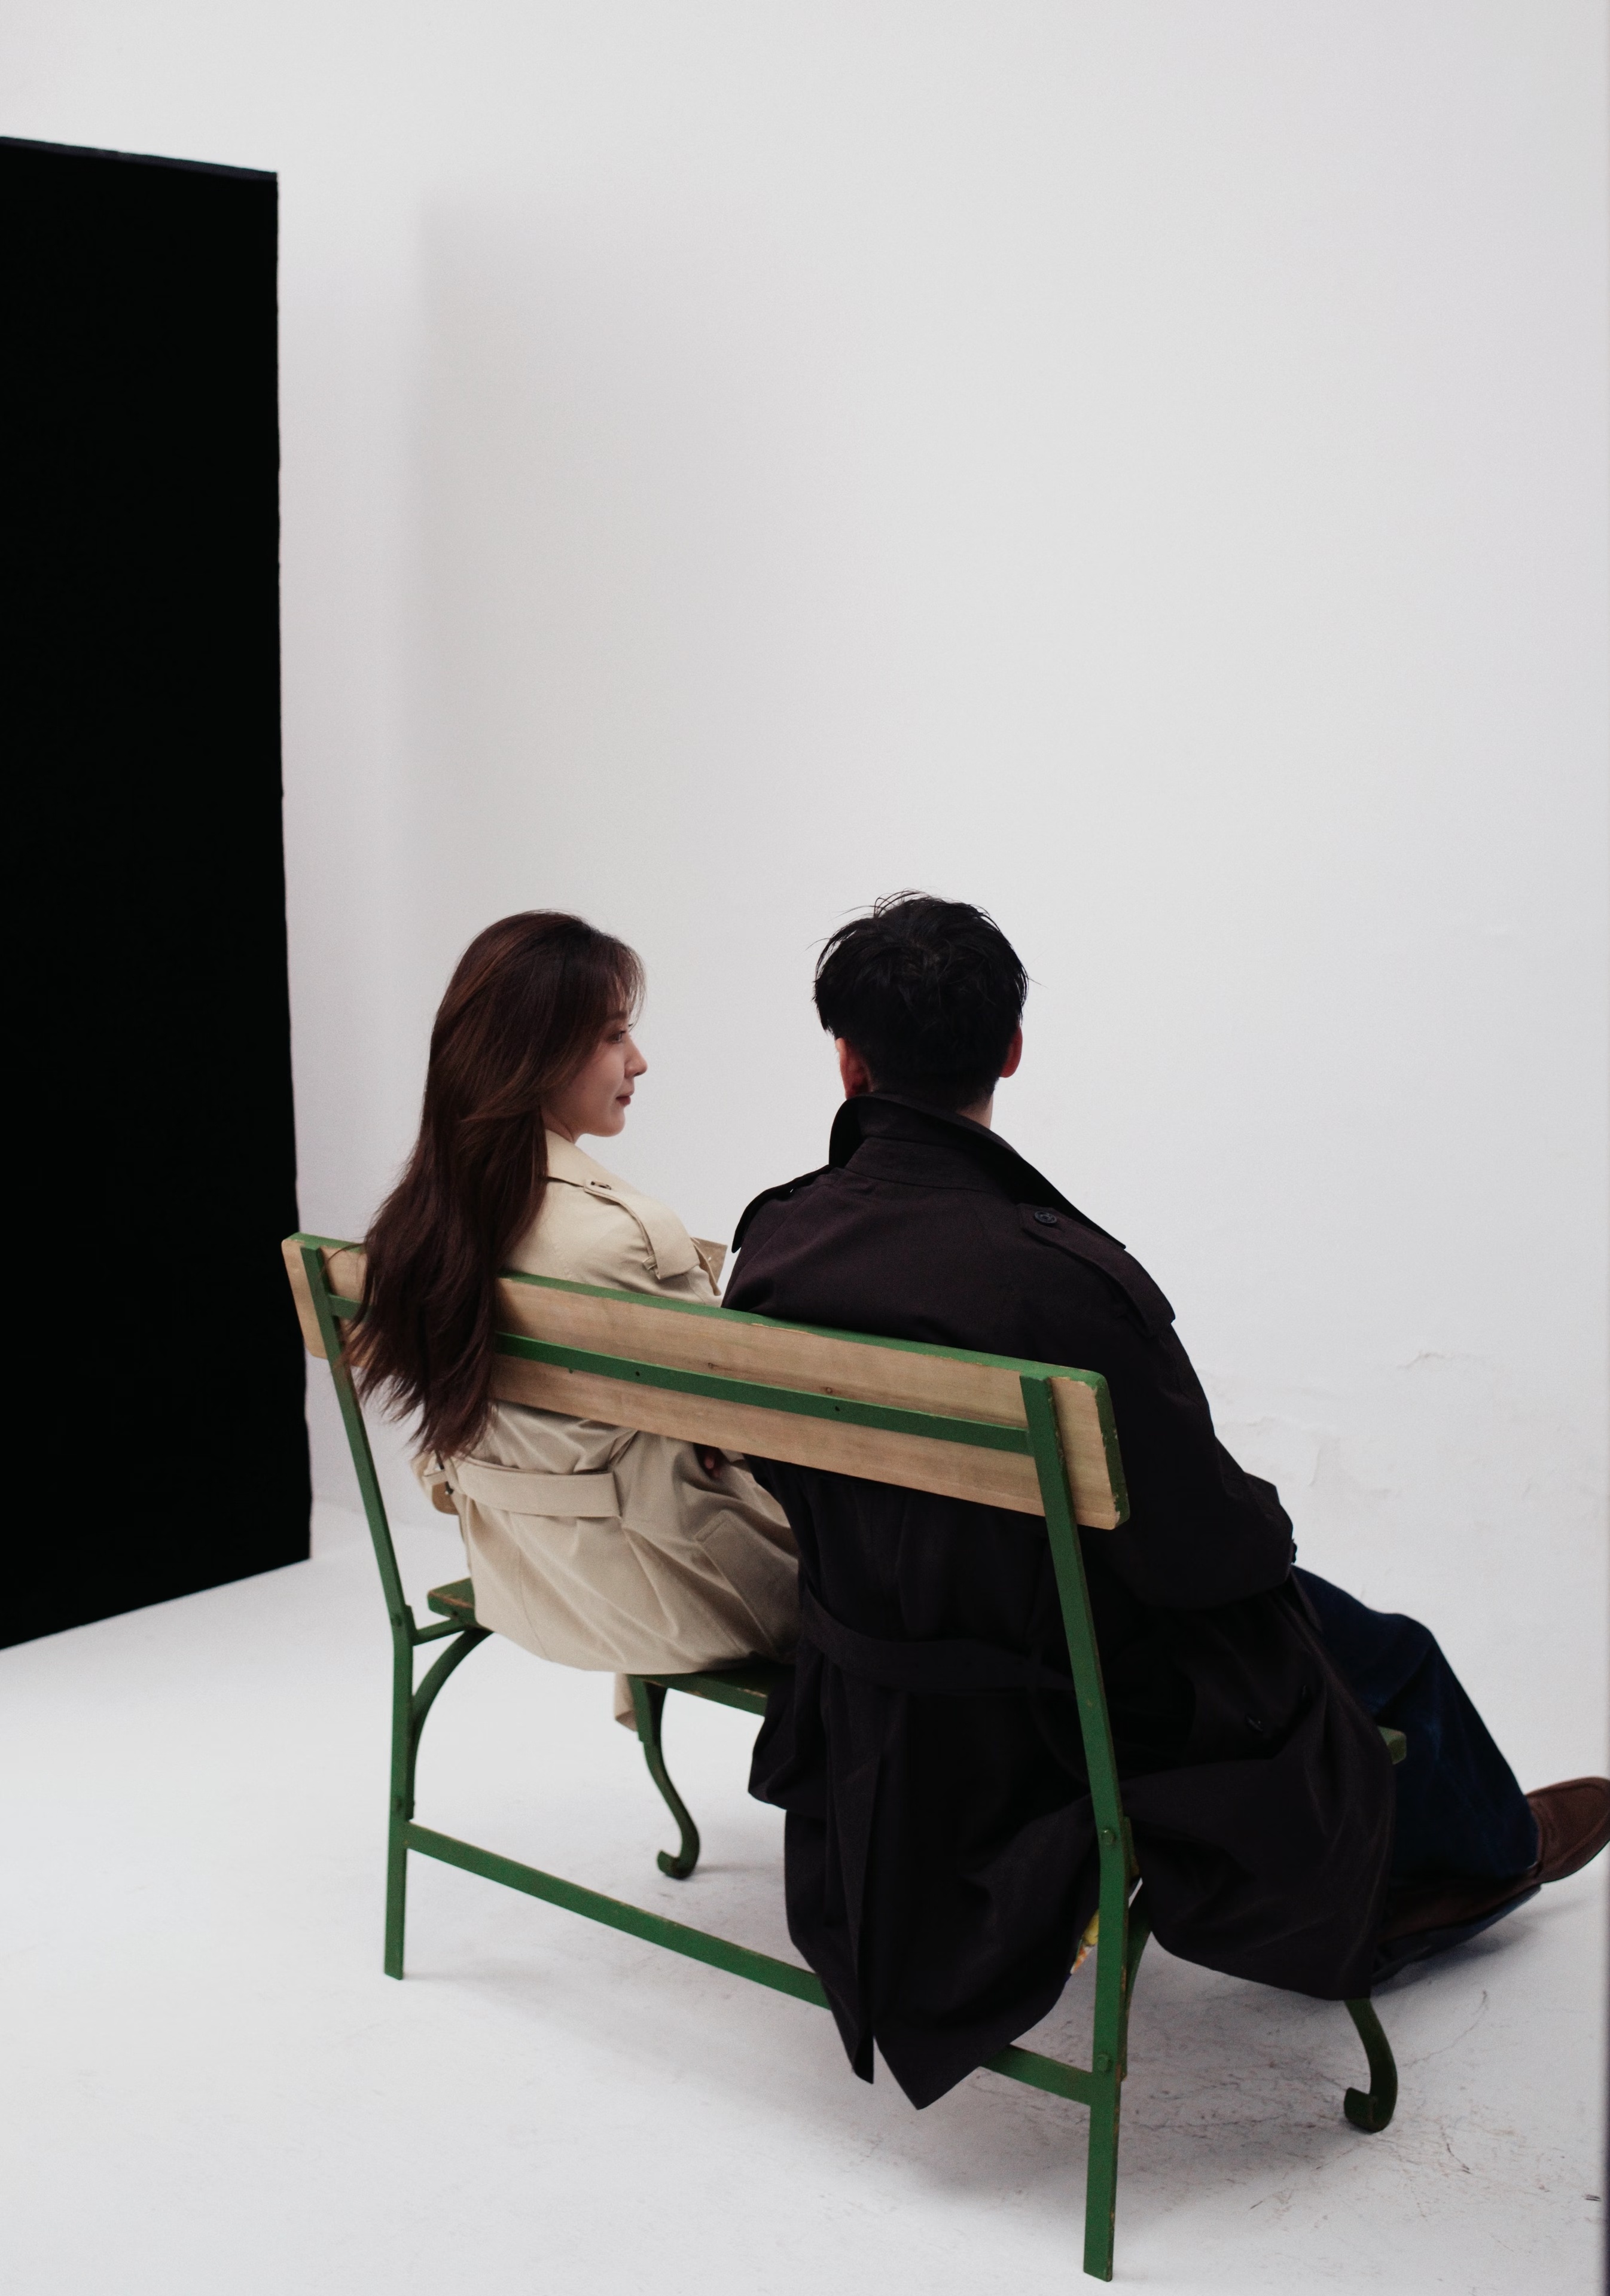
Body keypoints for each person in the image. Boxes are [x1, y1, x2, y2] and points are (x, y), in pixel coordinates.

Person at [725, 891, 1608, 2109]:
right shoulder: (1058, 1280)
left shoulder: (777, 1242)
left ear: (848, 1062)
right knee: (1393, 1656)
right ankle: (1496, 1854)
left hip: (866, 1657)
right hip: (1054, 1685)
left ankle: (1480, 1844)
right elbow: (1206, 1556)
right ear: (1010, 1051)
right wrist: (1262, 1519)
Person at [356, 911, 797, 1723]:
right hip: (670, 1596)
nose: (639, 1061)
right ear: (536, 1054)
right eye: (613, 1036)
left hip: (523, 1574)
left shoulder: (420, 1224)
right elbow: (758, 1424)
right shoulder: (617, 1237)